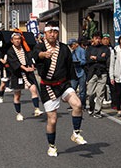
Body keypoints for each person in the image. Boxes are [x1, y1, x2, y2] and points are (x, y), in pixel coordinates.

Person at [33, 21, 87, 157]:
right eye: (49, 32)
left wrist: (73, 85)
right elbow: (35, 56)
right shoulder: (39, 47)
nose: (52, 34)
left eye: (55, 31)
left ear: (58, 33)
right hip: (48, 86)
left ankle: (76, 133)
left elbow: (70, 67)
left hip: (63, 84)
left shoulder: (63, 48)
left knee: (78, 104)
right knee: (52, 120)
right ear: (45, 33)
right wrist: (43, 55)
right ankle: (52, 146)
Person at [7, 32, 43, 121]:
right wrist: (25, 69)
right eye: (15, 39)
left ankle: (37, 109)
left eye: (19, 39)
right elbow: (14, 62)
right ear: (12, 41)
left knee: (34, 89)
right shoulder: (10, 51)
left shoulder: (25, 49)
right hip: (17, 74)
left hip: (28, 73)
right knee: (17, 96)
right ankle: (18, 113)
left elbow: (30, 58)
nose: (17, 40)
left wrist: (32, 65)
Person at [85, 31, 111, 118]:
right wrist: (99, 58)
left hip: (102, 72)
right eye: (96, 38)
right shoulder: (89, 49)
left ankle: (97, 111)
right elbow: (88, 60)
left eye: (99, 38)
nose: (98, 40)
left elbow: (105, 59)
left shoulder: (105, 48)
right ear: (92, 39)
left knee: (100, 93)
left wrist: (96, 58)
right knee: (90, 93)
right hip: (92, 73)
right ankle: (92, 107)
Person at [109, 34, 121, 117]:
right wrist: (111, 76)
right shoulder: (115, 50)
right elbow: (111, 64)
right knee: (118, 94)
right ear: (119, 41)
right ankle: (120, 109)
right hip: (118, 75)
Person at [68, 38, 87, 110]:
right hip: (74, 72)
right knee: (72, 89)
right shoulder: (72, 52)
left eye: (71, 45)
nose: (71, 47)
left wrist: (78, 62)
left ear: (76, 44)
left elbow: (84, 60)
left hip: (81, 71)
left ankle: (82, 104)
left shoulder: (81, 50)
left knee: (82, 90)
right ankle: (73, 104)